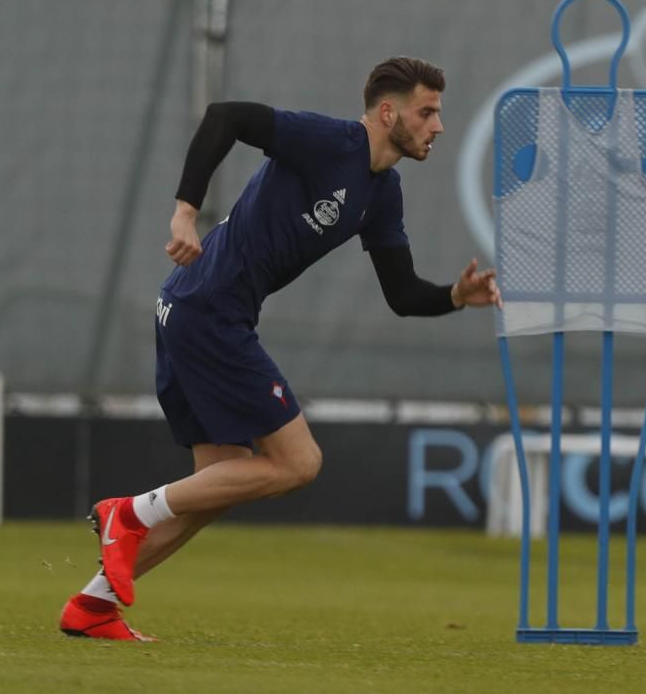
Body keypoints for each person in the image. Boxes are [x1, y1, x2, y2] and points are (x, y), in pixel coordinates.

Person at [59, 57, 503, 641]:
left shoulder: (383, 192)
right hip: (209, 313)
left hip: (194, 310)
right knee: (299, 463)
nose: (438, 126)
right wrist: (185, 213)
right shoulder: (331, 141)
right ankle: (129, 514)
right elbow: (226, 117)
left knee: (219, 485)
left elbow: (400, 293)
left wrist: (454, 295)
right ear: (389, 112)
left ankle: (92, 607)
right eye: (428, 111)